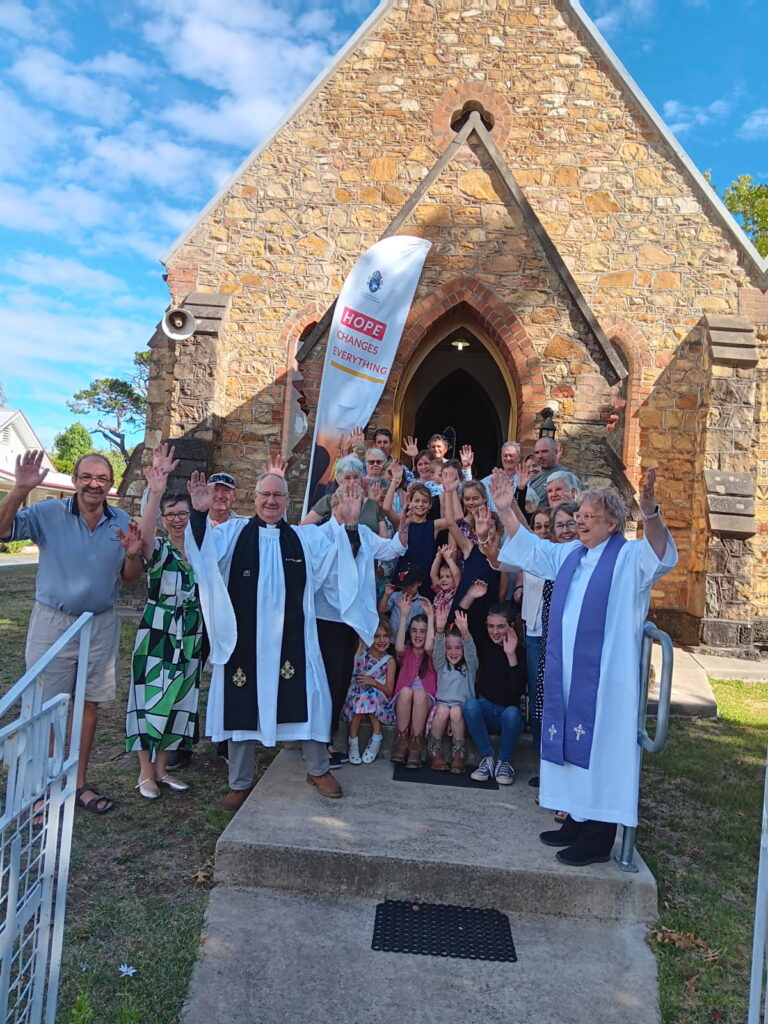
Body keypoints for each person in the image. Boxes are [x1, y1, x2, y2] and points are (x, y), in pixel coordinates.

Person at [488, 468, 677, 867]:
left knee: (601, 750)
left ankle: (598, 837)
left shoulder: (628, 558)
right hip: (569, 674)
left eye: (590, 517)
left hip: (606, 680)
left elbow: (660, 552)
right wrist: (505, 510)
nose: (581, 522)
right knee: (571, 746)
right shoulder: (572, 555)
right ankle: (576, 818)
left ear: (612, 524)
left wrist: (649, 511)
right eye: (580, 516)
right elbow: (531, 550)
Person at [186, 471, 383, 807]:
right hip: (244, 642)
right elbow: (201, 556)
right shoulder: (232, 533)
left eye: (278, 495)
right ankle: (240, 782)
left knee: (312, 699)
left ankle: (317, 769)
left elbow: (341, 560)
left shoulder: (304, 539)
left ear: (288, 501)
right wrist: (198, 513)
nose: (271, 501)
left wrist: (351, 526)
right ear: (255, 497)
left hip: (295, 640)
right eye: (265, 494)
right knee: (240, 705)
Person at [0, 449, 140, 816]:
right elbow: (2, 530)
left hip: (101, 624)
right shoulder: (47, 513)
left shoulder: (121, 521)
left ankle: (78, 783)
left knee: (89, 703)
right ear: (76, 480)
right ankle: (42, 787)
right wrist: (20, 489)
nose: (94, 484)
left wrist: (131, 554)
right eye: (87, 476)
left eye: (102, 478)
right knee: (46, 706)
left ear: (111, 485)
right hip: (53, 623)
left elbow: (130, 579)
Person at [122, 445, 200, 799]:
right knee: (150, 696)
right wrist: (156, 492)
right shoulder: (160, 550)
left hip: (191, 632)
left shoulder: (200, 551)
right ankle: (144, 772)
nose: (177, 519)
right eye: (171, 514)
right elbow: (145, 534)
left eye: (183, 513)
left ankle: (163, 769)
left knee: (180, 699)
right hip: (159, 631)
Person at [464, 603, 525, 785]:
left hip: (507, 716)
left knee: (513, 713)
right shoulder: (485, 644)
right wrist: (471, 597)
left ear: (511, 626)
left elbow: (516, 692)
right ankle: (487, 759)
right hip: (486, 711)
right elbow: (464, 618)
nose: (495, 632)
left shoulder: (521, 652)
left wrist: (511, 655)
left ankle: (504, 763)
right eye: (491, 626)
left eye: (500, 626)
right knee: (470, 705)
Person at [427, 607, 477, 773]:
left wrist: (465, 633)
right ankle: (435, 750)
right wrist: (440, 630)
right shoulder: (441, 665)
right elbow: (438, 651)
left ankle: (458, 753)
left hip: (461, 710)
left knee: (455, 712)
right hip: (441, 706)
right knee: (442, 710)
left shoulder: (470, 667)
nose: (453, 652)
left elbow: (471, 652)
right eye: (449, 648)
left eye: (458, 648)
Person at [391, 598, 437, 768]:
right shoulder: (407, 651)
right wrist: (404, 616)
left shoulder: (432, 654)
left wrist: (430, 616)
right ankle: (401, 741)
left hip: (425, 700)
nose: (418, 635)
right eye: (414, 631)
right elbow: (398, 647)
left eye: (423, 631)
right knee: (406, 691)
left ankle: (415, 744)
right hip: (404, 700)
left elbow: (429, 646)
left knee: (418, 694)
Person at [343, 618, 396, 764]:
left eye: (385, 636)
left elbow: (389, 691)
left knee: (368, 696)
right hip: (356, 702)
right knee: (362, 698)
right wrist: (360, 647)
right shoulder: (362, 655)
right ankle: (354, 744)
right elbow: (354, 679)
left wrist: (374, 683)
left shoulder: (389, 661)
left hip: (379, 704)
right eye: (377, 636)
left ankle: (376, 737)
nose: (382, 640)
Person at [301, 456, 387, 537]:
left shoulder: (372, 505)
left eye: (356, 477)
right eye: (347, 478)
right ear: (340, 481)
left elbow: (384, 538)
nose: (352, 482)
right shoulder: (328, 501)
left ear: (361, 479)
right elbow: (303, 528)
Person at [526, 438, 580, 509]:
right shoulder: (535, 477)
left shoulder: (565, 474)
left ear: (556, 452)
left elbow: (582, 500)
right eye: (537, 452)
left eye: (544, 451)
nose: (540, 456)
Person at [482, 441, 520, 513]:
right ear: (501, 458)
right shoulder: (489, 480)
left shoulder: (523, 481)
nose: (508, 459)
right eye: (505, 456)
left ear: (518, 458)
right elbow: (470, 492)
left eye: (511, 455)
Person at [430, 543, 461, 615]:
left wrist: (448, 559)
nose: (443, 579)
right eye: (441, 577)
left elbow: (456, 574)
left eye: (448, 576)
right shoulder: (440, 592)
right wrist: (439, 556)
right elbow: (433, 575)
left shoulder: (455, 592)